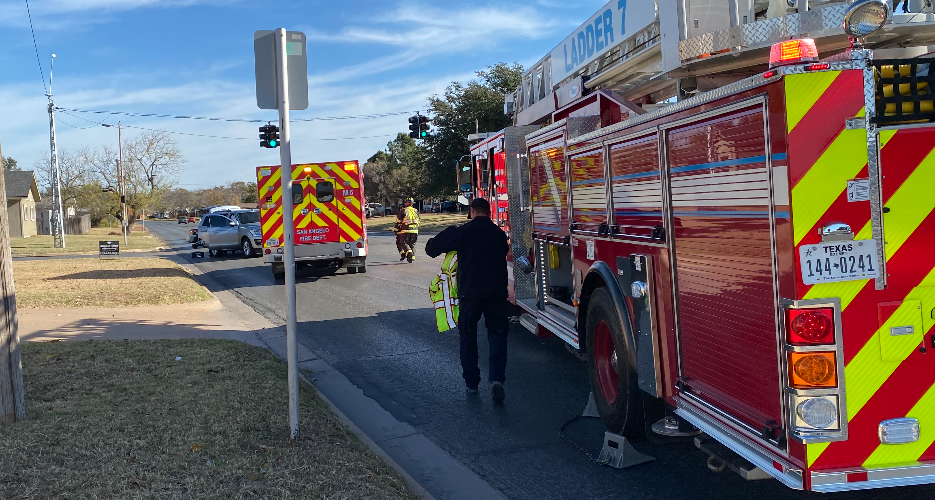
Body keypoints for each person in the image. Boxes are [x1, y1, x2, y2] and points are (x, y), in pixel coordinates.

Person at [425, 198, 510, 403]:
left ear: (472, 211)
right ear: (489, 212)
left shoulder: (463, 232)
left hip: (470, 294)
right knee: (497, 336)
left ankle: (472, 383)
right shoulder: (499, 234)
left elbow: (431, 248)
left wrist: (450, 231)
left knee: (468, 337)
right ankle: (496, 379)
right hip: (497, 294)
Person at [400, 198, 420, 263]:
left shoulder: (404, 210)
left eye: (406, 202)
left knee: (403, 243)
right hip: (415, 230)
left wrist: (397, 229)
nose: (405, 203)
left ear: (408, 203)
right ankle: (412, 258)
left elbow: (398, 221)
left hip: (406, 230)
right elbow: (419, 220)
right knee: (412, 244)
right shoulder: (416, 211)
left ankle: (409, 253)